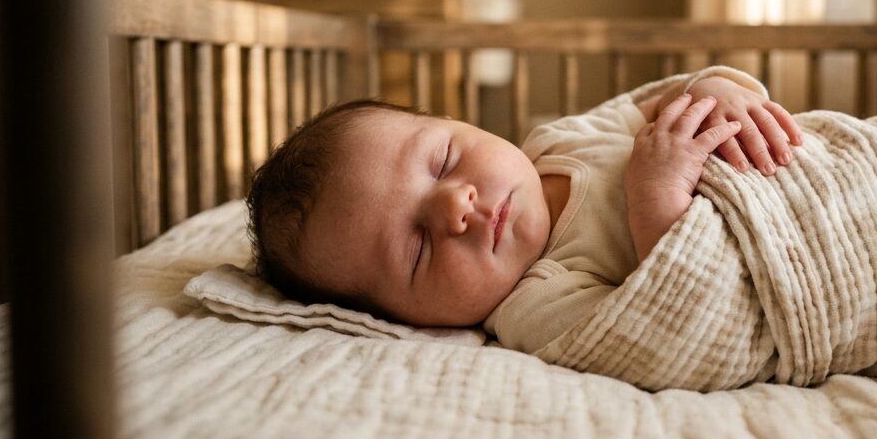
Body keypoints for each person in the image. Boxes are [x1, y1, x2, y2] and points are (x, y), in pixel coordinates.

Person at [246, 67, 802, 353]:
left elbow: (662, 100)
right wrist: (658, 196)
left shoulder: (560, 140)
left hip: (808, 157)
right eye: (416, 248)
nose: (456, 206)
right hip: (802, 256)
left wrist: (713, 90)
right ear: (404, 319)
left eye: (443, 161)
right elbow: (674, 330)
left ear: (459, 122)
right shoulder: (535, 306)